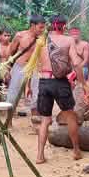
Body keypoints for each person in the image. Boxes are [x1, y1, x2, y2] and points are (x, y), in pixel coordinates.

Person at [35, 15, 82, 164]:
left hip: (43, 81)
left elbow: (36, 63)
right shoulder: (68, 40)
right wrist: (82, 82)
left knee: (45, 120)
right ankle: (76, 151)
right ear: (63, 26)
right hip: (60, 82)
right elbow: (76, 62)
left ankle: (40, 156)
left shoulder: (41, 41)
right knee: (70, 116)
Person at [5, 15, 46, 125]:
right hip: (19, 67)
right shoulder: (20, 36)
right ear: (33, 26)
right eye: (40, 27)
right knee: (13, 94)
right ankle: (8, 122)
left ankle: (35, 123)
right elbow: (10, 52)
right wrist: (7, 68)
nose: (43, 30)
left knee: (37, 95)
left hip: (35, 69)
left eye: (43, 28)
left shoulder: (43, 38)